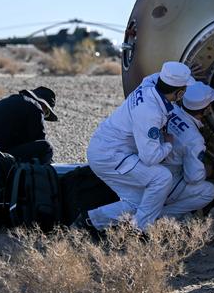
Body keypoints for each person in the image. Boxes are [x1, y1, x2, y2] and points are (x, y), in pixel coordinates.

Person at [77, 61, 194, 232]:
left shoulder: (150, 83)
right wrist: (168, 144)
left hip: (105, 148)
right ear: (180, 92)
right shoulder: (150, 113)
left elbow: (160, 76)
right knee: (162, 178)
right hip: (111, 156)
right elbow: (150, 157)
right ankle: (140, 231)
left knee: (145, 202)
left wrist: (185, 71)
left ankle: (89, 222)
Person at [161, 82, 214, 218]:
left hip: (147, 171)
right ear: (206, 109)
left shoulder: (171, 109)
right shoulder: (194, 139)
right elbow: (193, 178)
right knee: (209, 191)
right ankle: (161, 216)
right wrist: (206, 170)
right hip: (168, 181)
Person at [0, 87, 57, 164]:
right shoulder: (35, 106)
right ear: (43, 104)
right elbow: (39, 139)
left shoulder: (7, 102)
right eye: (47, 113)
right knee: (46, 147)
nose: (44, 115)